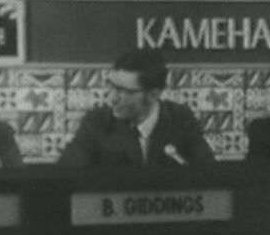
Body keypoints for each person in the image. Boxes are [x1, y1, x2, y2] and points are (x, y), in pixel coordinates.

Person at [59, 49, 215, 167]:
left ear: (153, 95)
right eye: (111, 86)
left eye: (125, 91)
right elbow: (65, 176)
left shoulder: (180, 119)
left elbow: (210, 176)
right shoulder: (97, 121)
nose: (112, 98)